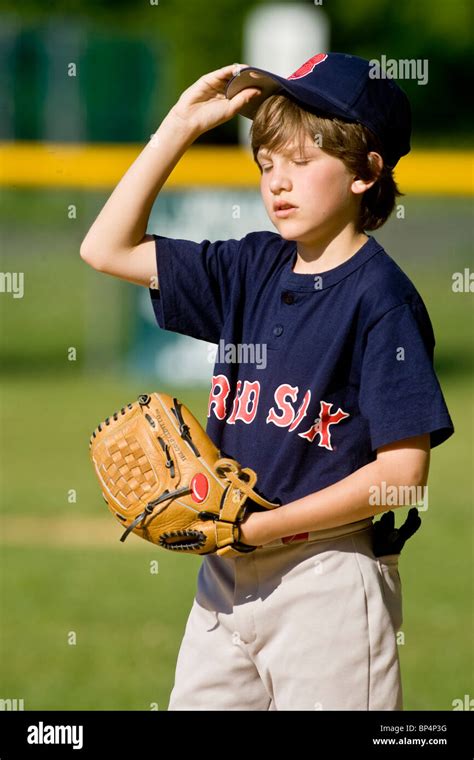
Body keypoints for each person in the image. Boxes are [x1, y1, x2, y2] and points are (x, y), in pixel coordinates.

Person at [80, 53, 454, 710]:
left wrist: (259, 529)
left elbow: (402, 475)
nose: (277, 182)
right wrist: (178, 127)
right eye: (266, 162)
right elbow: (104, 248)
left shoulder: (381, 301)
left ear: (367, 172)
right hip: (222, 582)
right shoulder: (251, 265)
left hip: (328, 582)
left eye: (302, 163)